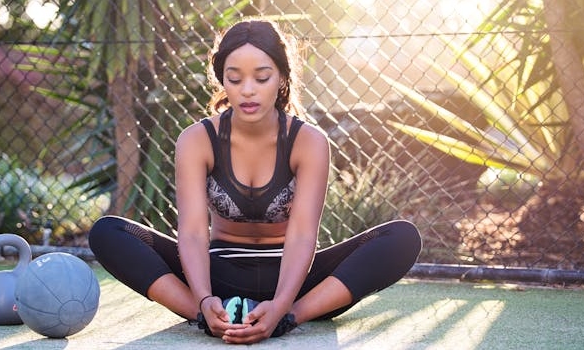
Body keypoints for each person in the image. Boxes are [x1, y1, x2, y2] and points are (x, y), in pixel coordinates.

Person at [88, 18, 422, 345]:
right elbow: (191, 232)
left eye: (261, 78)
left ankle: (293, 316)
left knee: (402, 238)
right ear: (222, 80)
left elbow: (304, 234)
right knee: (109, 232)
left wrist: (282, 308)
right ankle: (209, 318)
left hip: (294, 279)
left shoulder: (309, 141)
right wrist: (204, 300)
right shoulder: (197, 139)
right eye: (234, 79)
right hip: (219, 274)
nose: (247, 90)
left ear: (280, 77)